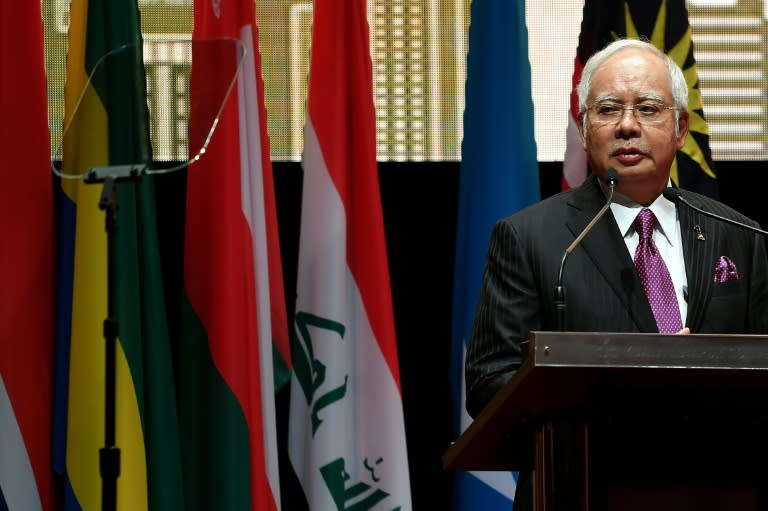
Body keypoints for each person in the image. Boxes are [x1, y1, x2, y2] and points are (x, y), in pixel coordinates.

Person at [464, 38, 768, 508]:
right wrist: (627, 387)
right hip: (579, 487)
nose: (628, 126)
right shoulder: (532, 239)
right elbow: (489, 384)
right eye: (608, 110)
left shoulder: (740, 237)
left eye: (648, 108)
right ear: (584, 129)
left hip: (716, 486)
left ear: (681, 126)